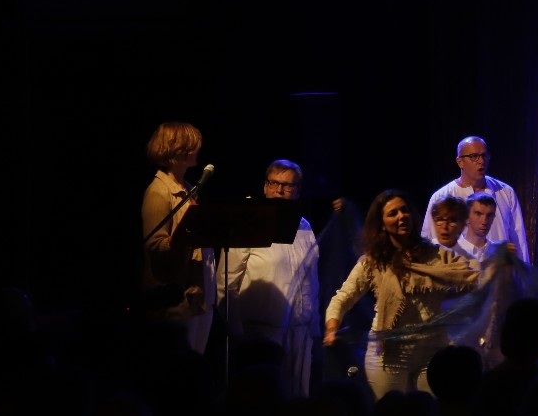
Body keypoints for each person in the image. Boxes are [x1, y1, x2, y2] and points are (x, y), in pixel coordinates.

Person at [324, 189, 480, 400]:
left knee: (431, 413)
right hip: (390, 353)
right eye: (393, 213)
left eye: (404, 210)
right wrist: (331, 329)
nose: (401, 216)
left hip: (432, 351)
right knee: (392, 414)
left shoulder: (435, 253)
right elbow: (343, 297)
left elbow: (469, 278)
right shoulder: (374, 261)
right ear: (382, 224)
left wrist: (495, 269)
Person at [217, 159, 320, 396]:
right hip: (261, 334)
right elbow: (226, 282)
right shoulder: (249, 222)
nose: (280, 190)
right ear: (265, 187)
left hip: (300, 334)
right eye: (274, 183)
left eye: (288, 185)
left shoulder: (304, 226)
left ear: (298, 191)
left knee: (297, 401)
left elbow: (312, 281)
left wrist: (315, 329)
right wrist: (235, 331)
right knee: (265, 399)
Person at [139, 120, 216, 354]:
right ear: (177, 149)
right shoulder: (159, 191)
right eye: (192, 145)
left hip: (197, 298)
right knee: (178, 365)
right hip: (175, 301)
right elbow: (155, 244)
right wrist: (188, 237)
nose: (198, 149)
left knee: (195, 363)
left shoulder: (188, 188)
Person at [419, 135, 530, 262]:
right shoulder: (442, 196)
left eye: (484, 155)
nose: (481, 161)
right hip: (458, 270)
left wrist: (523, 272)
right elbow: (428, 243)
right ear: (460, 162)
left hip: (498, 271)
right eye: (474, 156)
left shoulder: (505, 192)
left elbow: (519, 240)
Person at [456, 192, 498, 261]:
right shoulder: (453, 252)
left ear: (493, 217)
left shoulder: (498, 254)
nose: (484, 221)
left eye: (489, 215)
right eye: (478, 214)